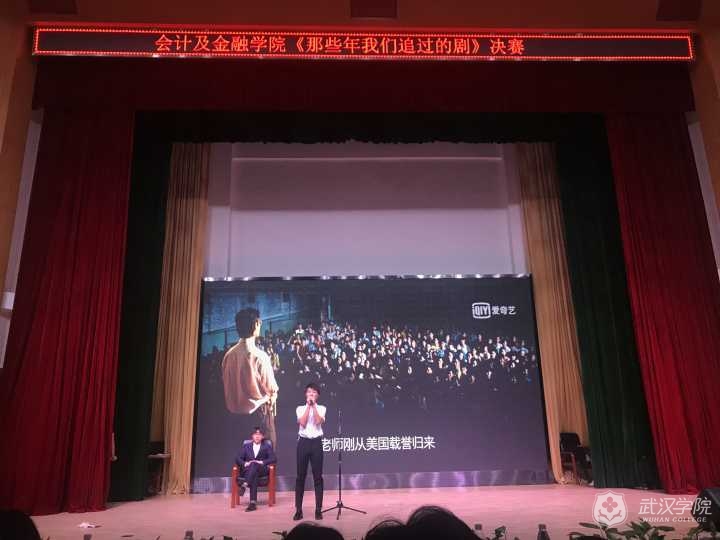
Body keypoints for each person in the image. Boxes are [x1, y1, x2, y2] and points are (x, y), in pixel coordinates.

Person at [222, 308, 279, 446]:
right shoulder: (260, 357)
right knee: (261, 456)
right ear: (256, 324)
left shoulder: (228, 355)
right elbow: (272, 390)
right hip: (257, 418)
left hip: (232, 420)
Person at [293, 382, 326, 521]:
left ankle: (318, 510)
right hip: (303, 443)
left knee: (318, 477)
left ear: (317, 395)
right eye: (309, 392)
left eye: (314, 392)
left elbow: (318, 421)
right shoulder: (300, 408)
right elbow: (303, 423)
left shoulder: (322, 408)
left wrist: (314, 407)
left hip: (316, 443)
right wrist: (308, 406)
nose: (311, 394)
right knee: (300, 477)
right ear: (305, 395)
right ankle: (298, 510)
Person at [234, 426, 277, 511]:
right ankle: (252, 504)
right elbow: (237, 458)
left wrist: (262, 462)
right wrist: (245, 463)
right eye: (255, 434)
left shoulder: (266, 446)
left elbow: (273, 458)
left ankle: (245, 485)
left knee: (254, 464)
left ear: (262, 437)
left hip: (262, 470)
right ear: (252, 436)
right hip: (248, 470)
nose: (257, 436)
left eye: (259, 434)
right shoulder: (246, 446)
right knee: (254, 472)